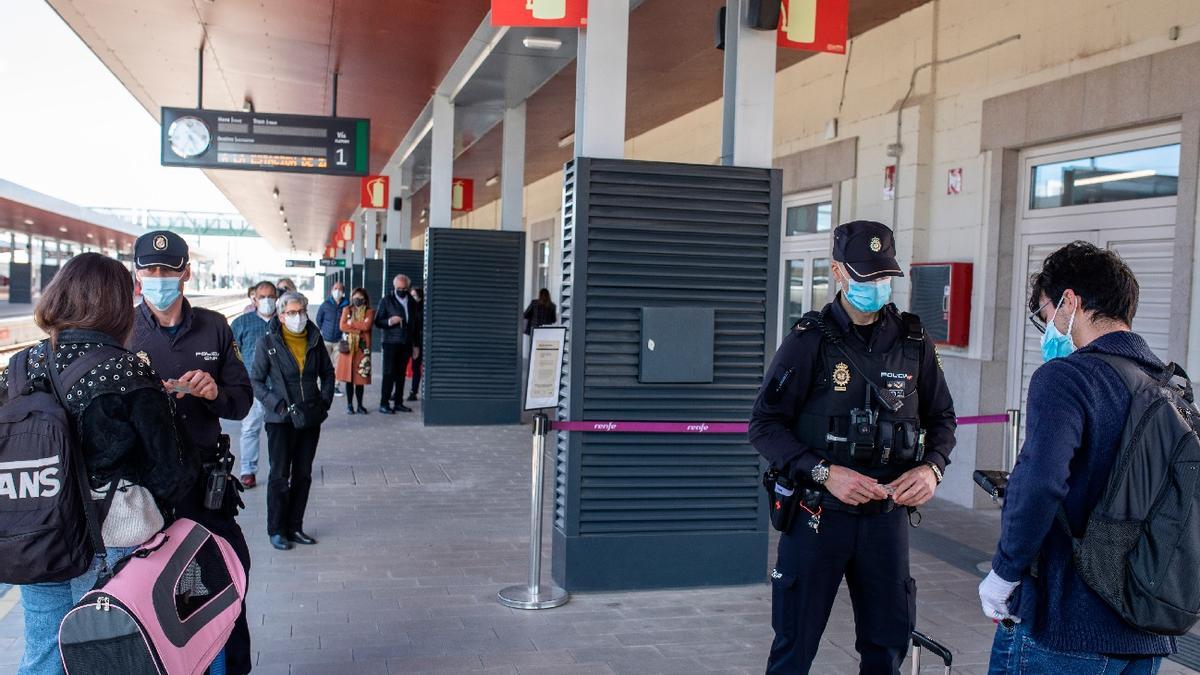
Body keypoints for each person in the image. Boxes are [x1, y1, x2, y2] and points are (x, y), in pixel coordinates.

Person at [749, 220, 957, 674]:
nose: (877, 286)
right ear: (838, 272)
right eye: (866, 276)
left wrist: (932, 469)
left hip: (886, 520)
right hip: (818, 515)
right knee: (794, 648)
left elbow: (942, 418)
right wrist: (825, 472)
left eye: (884, 276)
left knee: (886, 648)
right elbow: (764, 425)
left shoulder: (914, 341)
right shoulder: (808, 341)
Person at [981, 242, 1175, 672]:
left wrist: (1004, 572)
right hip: (1145, 627)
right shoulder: (1166, 386)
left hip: (1066, 625)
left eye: (1045, 315)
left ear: (1070, 301)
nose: (1047, 328)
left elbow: (1041, 482)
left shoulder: (1066, 378)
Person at [12, 253, 196, 675]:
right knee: (113, 659)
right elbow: (170, 472)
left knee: (42, 655)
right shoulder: (126, 372)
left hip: (35, 536)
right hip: (110, 539)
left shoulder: (19, 368)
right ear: (116, 305)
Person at [130, 230, 255, 675]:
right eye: (150, 269)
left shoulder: (214, 326)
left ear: (186, 273)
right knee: (152, 604)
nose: (159, 277)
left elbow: (241, 402)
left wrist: (213, 391)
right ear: (137, 274)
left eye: (169, 269)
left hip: (206, 488)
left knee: (224, 591)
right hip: (146, 495)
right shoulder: (123, 330)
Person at [249, 291, 334, 551]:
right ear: (281, 315)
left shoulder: (315, 338)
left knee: (303, 475)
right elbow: (256, 380)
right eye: (292, 313)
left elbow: (328, 373)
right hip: (280, 419)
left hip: (310, 417)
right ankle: (276, 529)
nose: (298, 317)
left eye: (301, 311)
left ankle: (295, 526)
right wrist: (277, 405)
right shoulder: (268, 342)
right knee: (279, 476)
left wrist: (324, 403)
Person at [229, 281, 278, 488]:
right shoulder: (241, 323)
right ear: (254, 299)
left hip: (279, 388)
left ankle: (280, 471)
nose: (267, 301)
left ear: (277, 298)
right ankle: (247, 471)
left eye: (271, 296)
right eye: (262, 297)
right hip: (253, 388)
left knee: (278, 431)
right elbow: (232, 355)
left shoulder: (285, 322)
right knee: (249, 429)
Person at [374, 274, 421, 414]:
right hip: (390, 342)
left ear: (407, 287)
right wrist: (390, 321)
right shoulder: (386, 301)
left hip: (406, 342)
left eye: (404, 288)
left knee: (401, 374)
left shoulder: (412, 302)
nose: (401, 290)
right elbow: (377, 321)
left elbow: (415, 326)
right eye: (399, 288)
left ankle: (398, 402)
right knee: (389, 373)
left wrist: (416, 345)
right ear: (394, 287)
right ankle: (384, 403)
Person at [338, 287, 375, 414]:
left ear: (365, 299)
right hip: (348, 349)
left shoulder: (370, 312)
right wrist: (358, 329)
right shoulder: (347, 309)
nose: (357, 300)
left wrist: (351, 322)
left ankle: (360, 405)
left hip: (362, 349)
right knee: (349, 379)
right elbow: (342, 326)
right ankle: (349, 405)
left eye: (360, 298)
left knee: (360, 379)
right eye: (355, 298)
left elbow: (367, 326)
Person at [315, 281, 348, 398]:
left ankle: (335, 387)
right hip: (326, 340)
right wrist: (323, 331)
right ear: (331, 291)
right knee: (323, 364)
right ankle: (319, 386)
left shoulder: (346, 305)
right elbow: (319, 319)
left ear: (343, 292)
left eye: (339, 289)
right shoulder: (325, 304)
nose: (337, 291)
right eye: (335, 288)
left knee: (337, 365)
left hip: (339, 340)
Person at [407, 287, 424, 401]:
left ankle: (413, 391)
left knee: (416, 366)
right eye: (411, 295)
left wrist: (416, 345)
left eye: (414, 296)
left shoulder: (422, 310)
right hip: (408, 341)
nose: (412, 298)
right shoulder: (408, 308)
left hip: (417, 342)